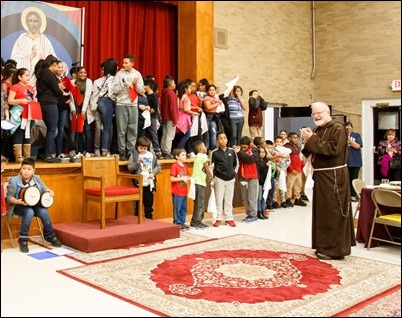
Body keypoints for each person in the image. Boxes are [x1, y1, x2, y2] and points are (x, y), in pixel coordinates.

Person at [300, 101, 356, 260]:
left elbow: (332, 150)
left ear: (328, 112)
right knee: (322, 212)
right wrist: (307, 140)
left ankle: (334, 249)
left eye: (319, 113)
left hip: (334, 177)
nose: (316, 116)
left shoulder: (338, 128)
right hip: (321, 176)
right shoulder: (319, 129)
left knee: (332, 212)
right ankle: (323, 246)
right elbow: (312, 149)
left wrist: (312, 139)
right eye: (313, 113)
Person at [6, 157, 62, 253]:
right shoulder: (13, 181)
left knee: (44, 212)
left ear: (33, 171)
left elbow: (45, 189)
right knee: (29, 212)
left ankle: (50, 235)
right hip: (19, 205)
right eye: (24, 169)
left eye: (29, 169)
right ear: (20, 169)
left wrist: (50, 191)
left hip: (34, 204)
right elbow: (8, 197)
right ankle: (23, 239)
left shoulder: (37, 179)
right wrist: (17, 201)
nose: (26, 171)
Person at [11, 7, 57, 87]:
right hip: (25, 75)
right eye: (30, 21)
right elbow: (14, 59)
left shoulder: (44, 40)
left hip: (40, 77)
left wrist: (45, 60)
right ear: (26, 22)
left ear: (39, 23)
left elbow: (54, 59)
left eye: (36, 21)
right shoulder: (22, 38)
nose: (32, 24)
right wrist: (31, 57)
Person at [113, 54, 145, 160]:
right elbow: (114, 90)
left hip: (133, 104)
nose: (124, 65)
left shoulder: (137, 74)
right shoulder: (119, 74)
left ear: (132, 63)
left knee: (133, 129)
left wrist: (135, 85)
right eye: (123, 63)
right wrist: (124, 85)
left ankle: (130, 151)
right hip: (121, 104)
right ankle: (122, 151)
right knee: (121, 129)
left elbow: (142, 91)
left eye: (126, 63)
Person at [127, 136, 161, 220]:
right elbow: (130, 168)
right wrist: (137, 162)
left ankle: (149, 220)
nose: (142, 150)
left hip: (149, 184)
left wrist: (153, 173)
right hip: (138, 184)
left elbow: (158, 166)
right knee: (138, 204)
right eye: (140, 148)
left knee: (149, 204)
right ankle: (136, 221)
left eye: (145, 148)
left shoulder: (152, 155)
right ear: (137, 147)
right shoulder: (134, 155)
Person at [210, 132, 239, 227]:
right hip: (219, 178)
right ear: (217, 141)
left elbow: (236, 164)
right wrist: (212, 179)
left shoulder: (232, 151)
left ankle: (229, 218)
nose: (223, 140)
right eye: (221, 138)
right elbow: (211, 167)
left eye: (225, 138)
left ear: (227, 139)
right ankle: (218, 218)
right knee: (219, 199)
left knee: (229, 199)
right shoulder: (214, 152)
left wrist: (233, 173)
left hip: (231, 178)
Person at [234, 136, 260, 223]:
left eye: (245, 147)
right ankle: (248, 213)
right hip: (242, 176)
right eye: (242, 147)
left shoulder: (254, 150)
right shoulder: (238, 151)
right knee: (244, 198)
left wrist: (240, 152)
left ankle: (253, 214)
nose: (244, 149)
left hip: (252, 176)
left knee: (251, 197)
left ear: (249, 145)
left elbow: (249, 159)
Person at [189, 141, 214, 229]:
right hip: (199, 182)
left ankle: (196, 220)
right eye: (204, 145)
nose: (206, 147)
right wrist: (212, 178)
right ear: (200, 149)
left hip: (196, 182)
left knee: (198, 203)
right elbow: (207, 169)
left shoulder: (198, 157)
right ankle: (196, 221)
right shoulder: (203, 156)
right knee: (200, 203)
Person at [284, 132, 307, 207]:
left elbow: (300, 158)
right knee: (289, 185)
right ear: (289, 138)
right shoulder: (286, 147)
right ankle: (288, 199)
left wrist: (302, 166)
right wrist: (290, 169)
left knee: (298, 185)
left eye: (296, 138)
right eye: (294, 138)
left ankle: (297, 198)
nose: (295, 139)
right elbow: (286, 160)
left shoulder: (298, 147)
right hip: (291, 170)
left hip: (298, 169)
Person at [170, 147, 190, 230]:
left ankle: (182, 222)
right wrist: (182, 178)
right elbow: (172, 179)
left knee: (183, 208)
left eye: (185, 154)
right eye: (183, 155)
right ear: (177, 156)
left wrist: (190, 179)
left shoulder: (185, 166)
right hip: (177, 191)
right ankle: (177, 223)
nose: (185, 156)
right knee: (177, 208)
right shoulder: (174, 166)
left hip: (184, 191)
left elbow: (187, 176)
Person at [344, 121, 363, 201]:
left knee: (354, 179)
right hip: (345, 162)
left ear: (352, 127)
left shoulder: (356, 135)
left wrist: (349, 139)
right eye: (346, 126)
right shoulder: (341, 136)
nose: (348, 128)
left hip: (355, 162)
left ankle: (353, 195)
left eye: (349, 126)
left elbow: (358, 146)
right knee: (346, 179)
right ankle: (346, 196)